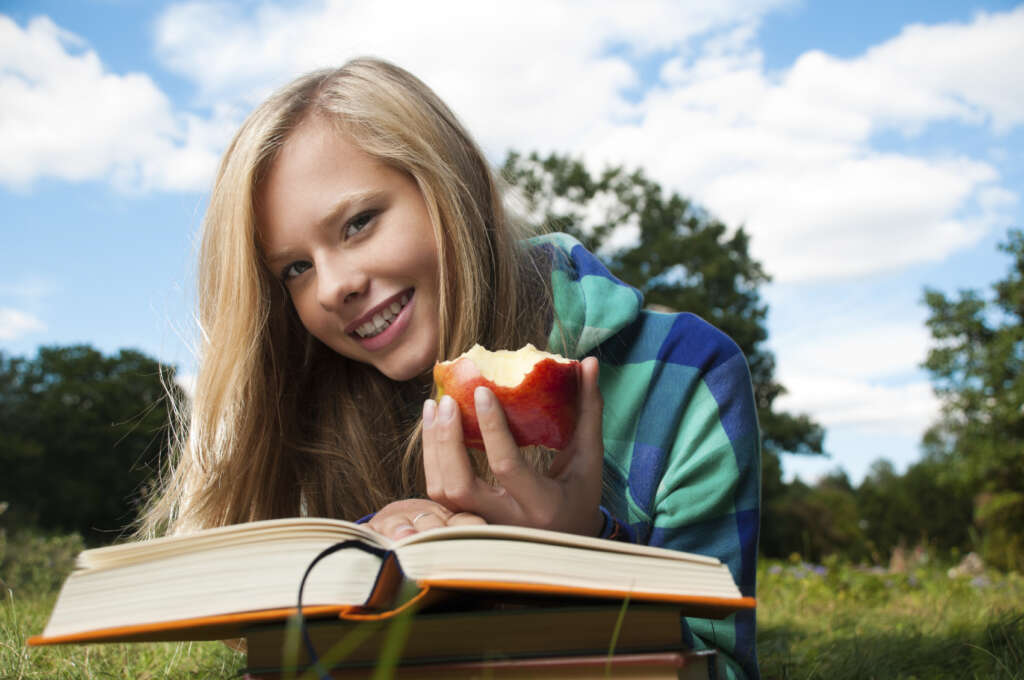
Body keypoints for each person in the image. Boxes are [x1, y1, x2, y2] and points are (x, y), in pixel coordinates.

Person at [140, 58, 761, 679]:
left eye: (358, 223)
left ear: (450, 185)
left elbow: (719, 665)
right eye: (296, 269)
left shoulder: (685, 376)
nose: (332, 287)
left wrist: (584, 552)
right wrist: (361, 559)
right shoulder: (312, 411)